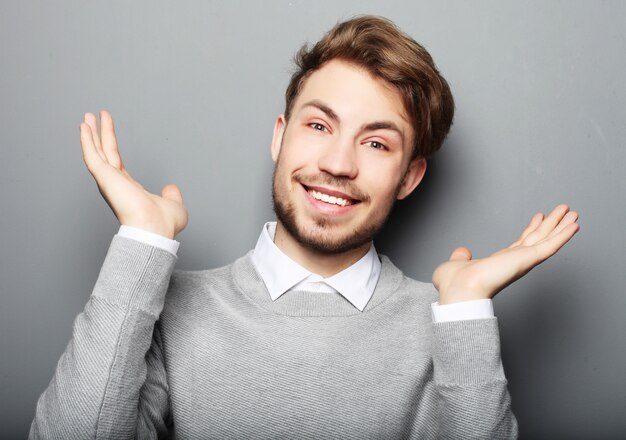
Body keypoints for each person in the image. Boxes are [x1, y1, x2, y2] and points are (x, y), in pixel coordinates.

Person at [30, 15, 579, 439]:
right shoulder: (167, 307)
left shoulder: (444, 328)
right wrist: (142, 243)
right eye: (319, 125)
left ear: (410, 178)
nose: (339, 164)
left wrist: (464, 311)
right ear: (279, 137)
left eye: (376, 142)